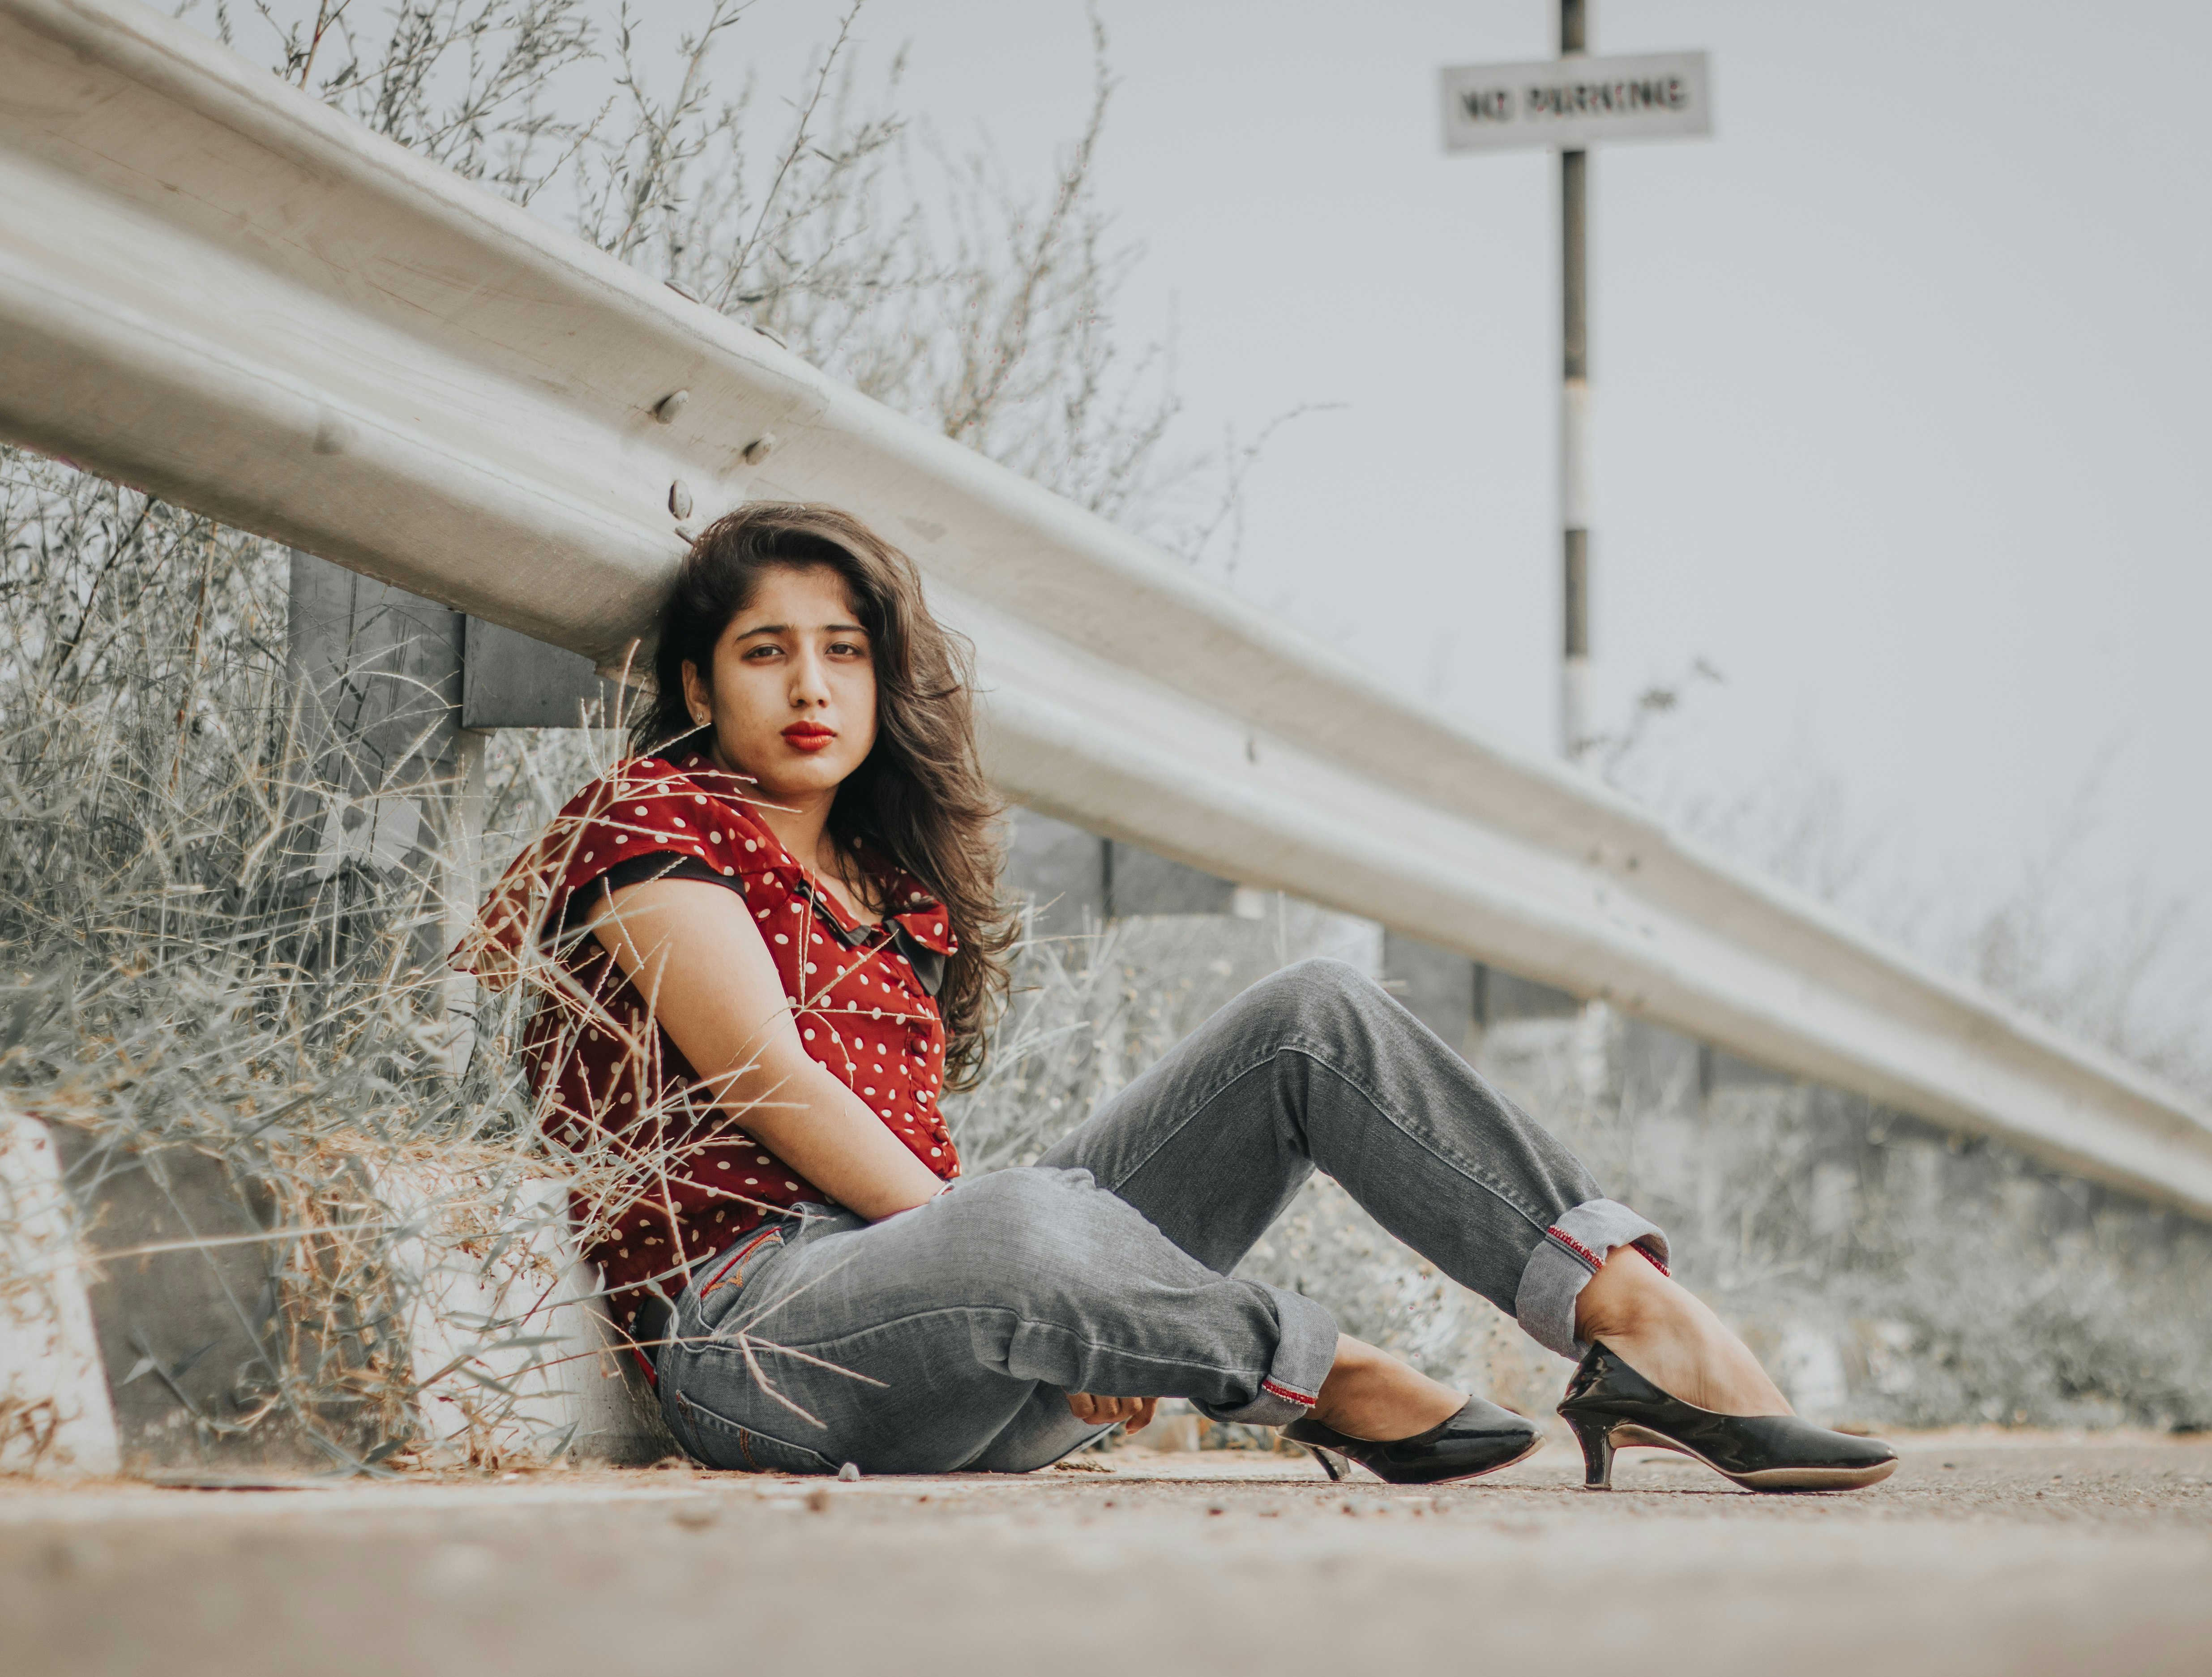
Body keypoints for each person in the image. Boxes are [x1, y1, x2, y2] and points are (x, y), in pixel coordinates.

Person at [471, 502, 1895, 1493]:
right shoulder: (651, 823)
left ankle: (1643, 1322)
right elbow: (773, 1084)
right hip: (762, 1345)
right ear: (696, 680)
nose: (811, 686)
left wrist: (1092, 1294)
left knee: (1312, 1019)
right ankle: (1314, 1372)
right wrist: (1078, 1278)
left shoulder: (883, 880)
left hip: (967, 1340)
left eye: (843, 648)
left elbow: (957, 1201)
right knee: (1026, 1217)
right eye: (766, 650)